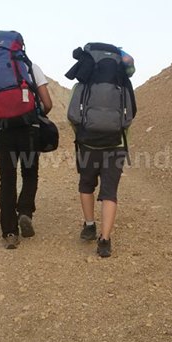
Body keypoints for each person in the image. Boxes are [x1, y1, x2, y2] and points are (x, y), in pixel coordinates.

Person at [65, 44, 136, 258]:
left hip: (87, 143)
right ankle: (104, 240)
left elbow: (72, 115)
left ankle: (89, 225)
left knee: (86, 184)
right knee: (109, 191)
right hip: (116, 145)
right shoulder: (124, 84)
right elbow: (129, 118)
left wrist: (82, 133)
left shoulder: (82, 84)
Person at [0, 63, 52, 249]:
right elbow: (48, 103)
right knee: (29, 174)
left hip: (3, 132)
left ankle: (10, 232)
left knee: (7, 180)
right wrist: (34, 115)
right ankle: (25, 211)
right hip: (28, 132)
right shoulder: (31, 67)